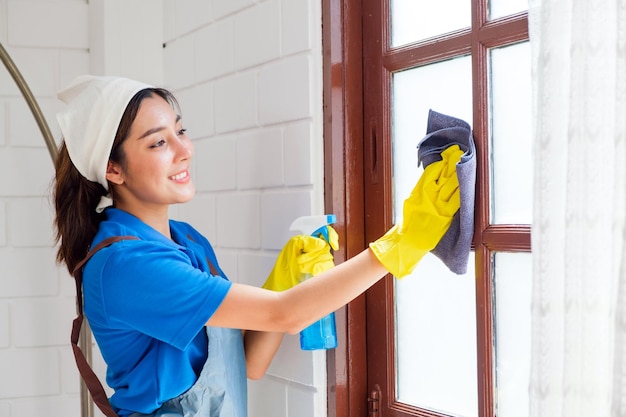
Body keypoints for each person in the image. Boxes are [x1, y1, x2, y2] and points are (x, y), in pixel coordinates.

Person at [53, 75, 461, 417]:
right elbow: (285, 316)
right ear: (114, 168)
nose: (184, 150)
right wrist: (401, 242)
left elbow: (247, 364)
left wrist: (284, 278)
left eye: (180, 131)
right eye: (158, 143)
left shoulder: (187, 241)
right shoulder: (126, 264)